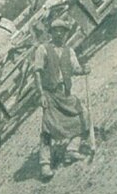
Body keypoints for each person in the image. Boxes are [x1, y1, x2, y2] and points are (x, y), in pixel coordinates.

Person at [33, 17, 92, 180]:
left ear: (66, 33)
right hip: (50, 94)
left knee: (83, 115)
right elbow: (37, 72)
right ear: (50, 33)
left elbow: (76, 69)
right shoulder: (42, 49)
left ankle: (72, 150)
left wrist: (84, 69)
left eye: (62, 31)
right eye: (56, 30)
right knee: (47, 128)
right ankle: (45, 164)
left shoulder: (69, 51)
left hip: (65, 93)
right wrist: (41, 94)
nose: (59, 33)